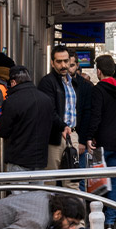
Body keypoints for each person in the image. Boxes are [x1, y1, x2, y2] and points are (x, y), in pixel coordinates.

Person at [82, 55, 116, 229]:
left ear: (99, 71)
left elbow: (96, 116)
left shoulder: (98, 90)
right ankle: (110, 220)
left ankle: (98, 219)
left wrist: (89, 136)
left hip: (99, 143)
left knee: (98, 182)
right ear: (114, 71)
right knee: (114, 181)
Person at [0, 66, 59, 178]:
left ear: (13, 82)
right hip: (40, 159)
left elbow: (3, 131)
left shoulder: (11, 101)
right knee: (37, 194)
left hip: (18, 159)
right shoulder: (46, 100)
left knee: (20, 195)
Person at [37, 46, 80, 180]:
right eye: (59, 61)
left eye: (66, 61)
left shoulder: (72, 82)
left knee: (72, 181)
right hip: (55, 136)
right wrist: (62, 126)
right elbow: (49, 110)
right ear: (52, 63)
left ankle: (73, 202)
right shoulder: (48, 82)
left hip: (72, 135)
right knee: (51, 179)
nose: (63, 65)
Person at [68, 50, 93, 188]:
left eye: (71, 64)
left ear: (77, 65)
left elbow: (87, 114)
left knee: (78, 181)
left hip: (77, 138)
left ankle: (78, 209)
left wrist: (83, 140)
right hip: (58, 138)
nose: (68, 68)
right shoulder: (53, 83)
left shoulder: (86, 86)